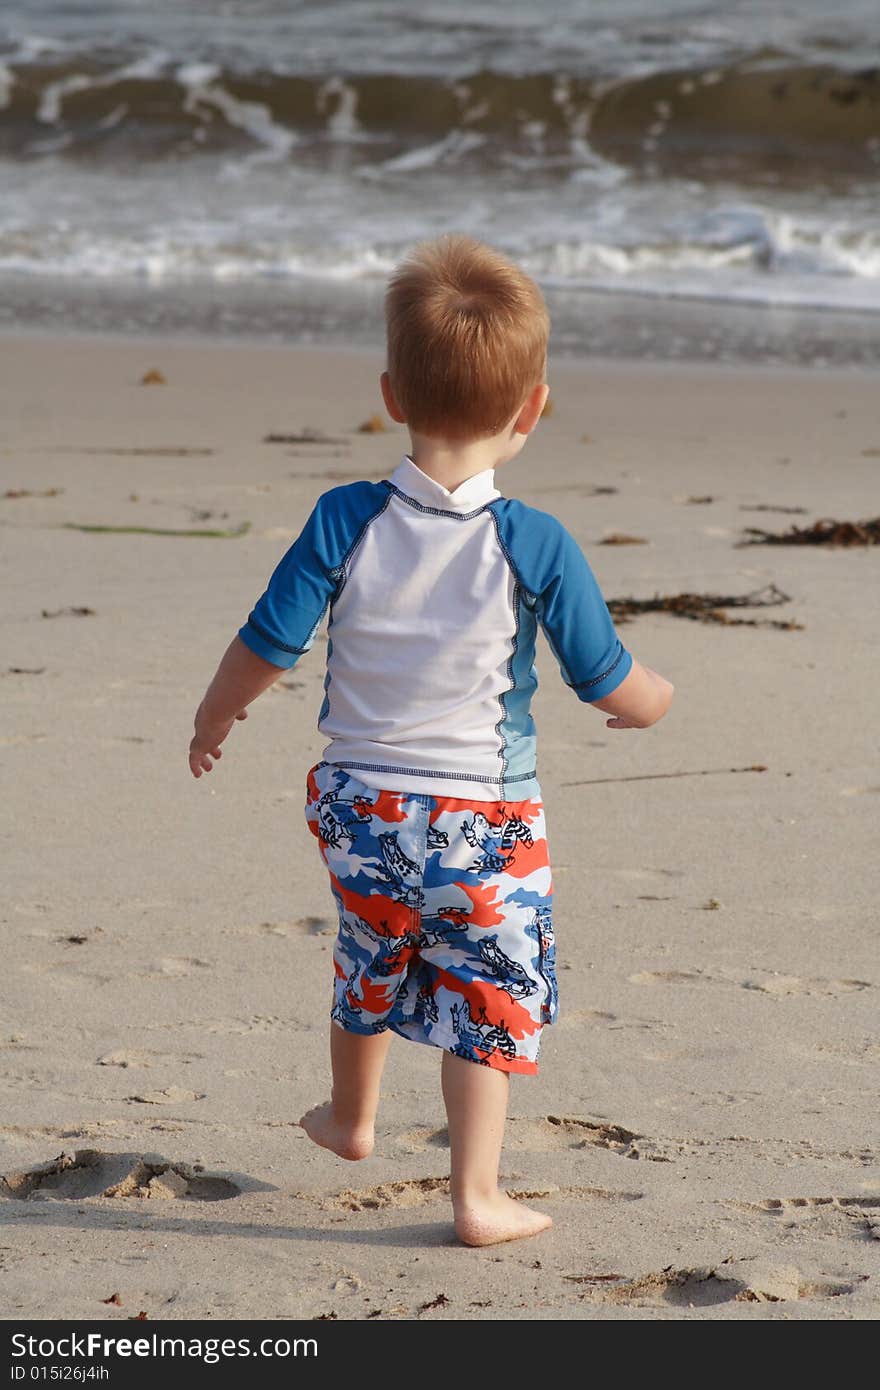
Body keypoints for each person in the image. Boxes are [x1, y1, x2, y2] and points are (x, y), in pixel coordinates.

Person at [188, 233, 674, 1246]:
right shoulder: (532, 540)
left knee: (369, 948)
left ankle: (352, 1118)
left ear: (391, 395)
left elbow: (267, 641)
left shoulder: (344, 517)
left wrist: (216, 713)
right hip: (485, 821)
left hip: (360, 808)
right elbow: (605, 683)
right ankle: (476, 1195)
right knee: (487, 995)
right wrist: (654, 700)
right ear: (531, 409)